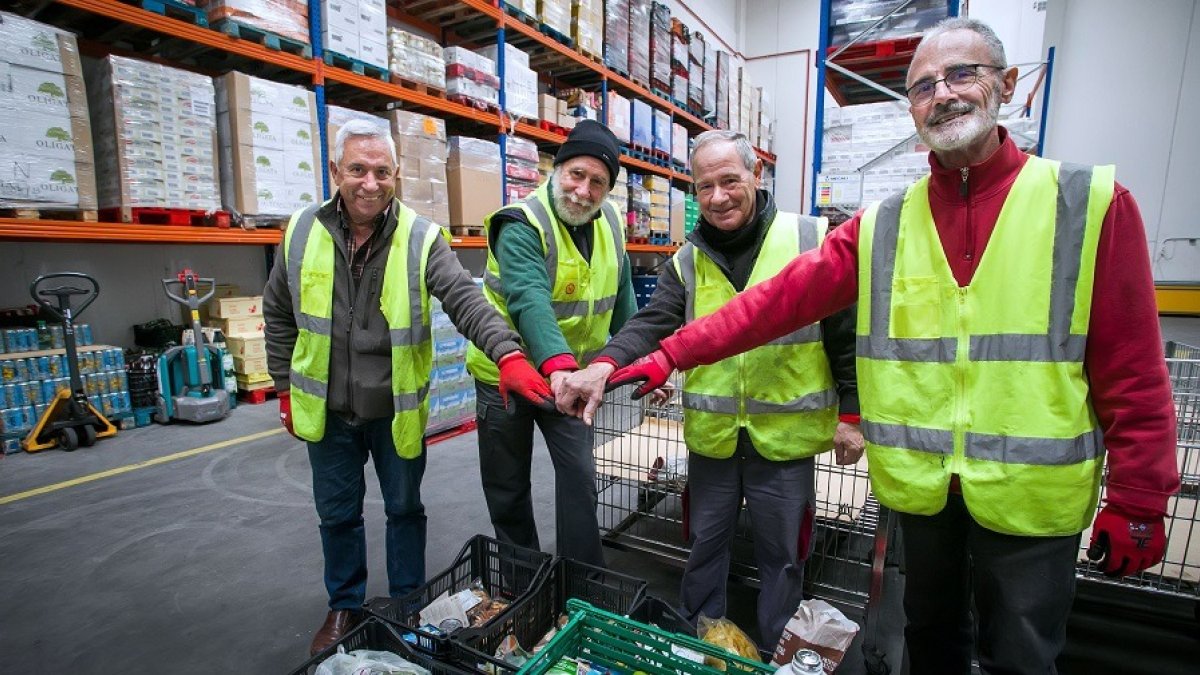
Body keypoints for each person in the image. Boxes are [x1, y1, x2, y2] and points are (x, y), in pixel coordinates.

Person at [607, 17, 1180, 674]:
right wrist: (670, 353)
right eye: (923, 86)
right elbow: (772, 304)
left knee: (1020, 654)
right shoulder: (883, 224)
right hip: (925, 492)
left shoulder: (1087, 205)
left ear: (1008, 85)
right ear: (912, 110)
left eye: (962, 74)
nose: (943, 94)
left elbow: (1134, 371)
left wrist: (1139, 498)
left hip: (1031, 498)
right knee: (929, 638)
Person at [558, 129, 864, 646]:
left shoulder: (809, 239)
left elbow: (844, 334)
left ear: (756, 174)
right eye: (705, 187)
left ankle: (778, 650)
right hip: (713, 438)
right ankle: (702, 644)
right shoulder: (687, 260)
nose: (718, 197)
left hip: (785, 440)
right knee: (703, 547)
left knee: (783, 557)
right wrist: (605, 365)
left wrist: (851, 414)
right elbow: (652, 321)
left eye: (729, 181)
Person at [263, 119, 553, 656]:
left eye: (382, 172)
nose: (370, 183)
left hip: (394, 408)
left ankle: (405, 605)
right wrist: (284, 387)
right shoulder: (302, 230)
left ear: (396, 175)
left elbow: (465, 300)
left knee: (403, 509)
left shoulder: (420, 237)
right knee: (337, 514)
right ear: (336, 171)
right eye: (358, 170)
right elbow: (278, 312)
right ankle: (344, 605)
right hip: (326, 407)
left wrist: (508, 353)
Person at [465, 120, 637, 567]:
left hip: (572, 379)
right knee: (508, 486)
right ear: (557, 169)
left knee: (580, 478)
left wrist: (643, 357)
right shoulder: (521, 223)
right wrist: (558, 367)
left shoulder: (611, 222)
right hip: (508, 373)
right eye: (576, 174)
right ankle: (523, 581)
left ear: (608, 190)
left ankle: (581, 581)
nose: (583, 191)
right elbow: (529, 300)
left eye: (597, 182)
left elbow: (622, 293)